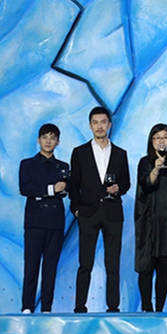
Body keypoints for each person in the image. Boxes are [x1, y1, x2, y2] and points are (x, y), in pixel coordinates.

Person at [69, 106, 130, 313]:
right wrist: (76, 209)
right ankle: (80, 306)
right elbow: (74, 184)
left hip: (113, 212)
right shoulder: (79, 152)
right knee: (85, 263)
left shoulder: (120, 153)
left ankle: (113, 307)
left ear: (109, 125)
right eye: (95, 123)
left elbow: (126, 182)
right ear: (90, 126)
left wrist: (119, 187)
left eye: (103, 122)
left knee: (113, 263)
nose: (99, 126)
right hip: (88, 212)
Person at [18, 123, 68, 313]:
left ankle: (47, 307)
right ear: (38, 140)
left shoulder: (63, 166)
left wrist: (59, 190)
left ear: (58, 142)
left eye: (52, 138)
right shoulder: (27, 164)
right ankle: (27, 307)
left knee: (50, 267)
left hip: (55, 222)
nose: (48, 141)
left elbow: (67, 189)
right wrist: (51, 189)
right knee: (31, 266)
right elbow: (25, 188)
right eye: (45, 137)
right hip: (34, 223)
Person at [134, 124, 167, 312]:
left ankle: (160, 309)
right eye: (157, 138)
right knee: (146, 266)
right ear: (151, 141)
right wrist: (156, 169)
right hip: (149, 221)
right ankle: (146, 307)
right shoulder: (145, 162)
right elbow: (146, 184)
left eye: (165, 137)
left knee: (164, 267)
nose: (161, 141)